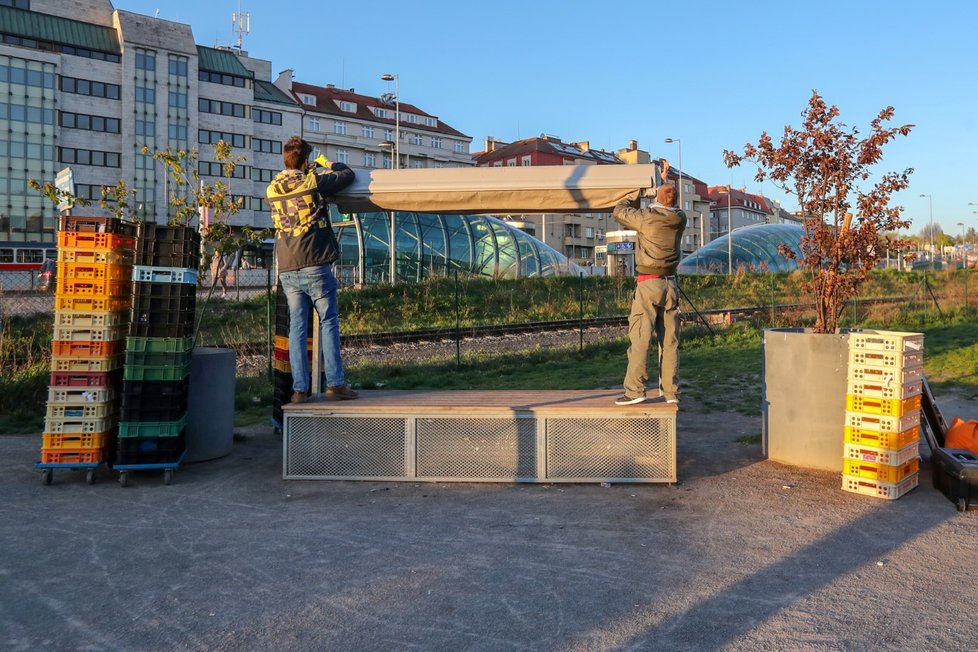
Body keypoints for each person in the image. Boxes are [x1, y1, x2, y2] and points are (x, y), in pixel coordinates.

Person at [266, 136, 357, 403]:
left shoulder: (271, 188)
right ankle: (336, 383)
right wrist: (325, 162)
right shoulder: (311, 181)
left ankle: (298, 390)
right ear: (306, 161)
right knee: (328, 322)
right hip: (315, 262)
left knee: (296, 328)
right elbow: (347, 175)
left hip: (287, 266)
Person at [611, 163, 687, 406]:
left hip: (648, 285)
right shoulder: (680, 218)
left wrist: (639, 191)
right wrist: (661, 183)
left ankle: (635, 390)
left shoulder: (647, 218)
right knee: (670, 341)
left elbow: (619, 211)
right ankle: (671, 392)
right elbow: (667, 201)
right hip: (670, 285)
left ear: (657, 198)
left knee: (641, 338)